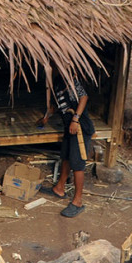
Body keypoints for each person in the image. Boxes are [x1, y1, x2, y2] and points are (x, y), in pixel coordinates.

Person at [39, 72, 93, 217]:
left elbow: (84, 97)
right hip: (69, 126)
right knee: (66, 158)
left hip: (80, 127)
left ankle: (77, 202)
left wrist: (76, 119)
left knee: (77, 163)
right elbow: (56, 106)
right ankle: (59, 188)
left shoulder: (71, 80)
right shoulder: (57, 82)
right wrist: (46, 118)